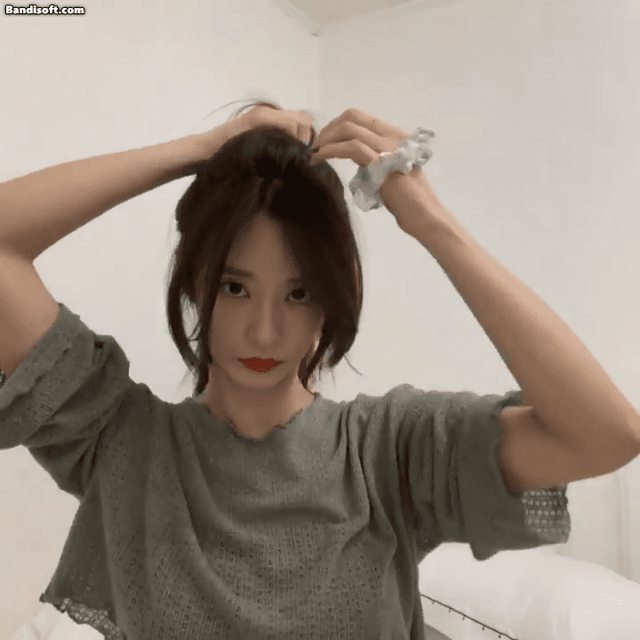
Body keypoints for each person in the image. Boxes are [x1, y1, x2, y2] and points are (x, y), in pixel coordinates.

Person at [0, 99, 570, 639]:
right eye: (235, 287)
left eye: (299, 293)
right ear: (195, 283)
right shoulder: (122, 443)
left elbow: (596, 435)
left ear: (331, 298)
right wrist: (201, 149)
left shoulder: (389, 453)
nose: (265, 332)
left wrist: (431, 221)